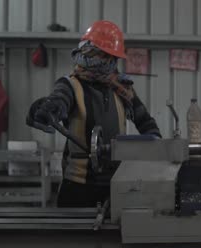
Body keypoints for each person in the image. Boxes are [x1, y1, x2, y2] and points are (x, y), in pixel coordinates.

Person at [26, 20, 161, 207]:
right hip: (77, 188)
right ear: (88, 52)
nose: (108, 62)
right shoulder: (70, 85)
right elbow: (59, 100)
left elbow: (145, 121)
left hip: (115, 185)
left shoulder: (122, 88)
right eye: (103, 55)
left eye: (112, 57)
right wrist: (47, 108)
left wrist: (158, 147)